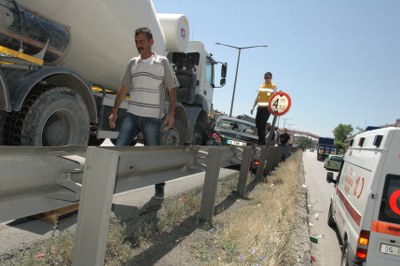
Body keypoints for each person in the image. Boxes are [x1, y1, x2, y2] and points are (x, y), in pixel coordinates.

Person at [108, 27, 179, 199]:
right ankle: (108, 186)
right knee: (118, 150)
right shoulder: (133, 63)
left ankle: (159, 187)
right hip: (132, 115)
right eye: (136, 42)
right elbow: (123, 88)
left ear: (151, 42)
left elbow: (172, 90)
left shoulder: (162, 63)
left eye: (142, 42)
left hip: (152, 119)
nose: (139, 45)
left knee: (153, 156)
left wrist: (171, 114)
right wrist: (115, 112)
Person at [251, 72, 277, 145]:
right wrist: (253, 107)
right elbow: (258, 97)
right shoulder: (261, 86)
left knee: (262, 124)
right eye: (265, 77)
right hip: (260, 108)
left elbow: (275, 98)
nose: (266, 79)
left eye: (268, 77)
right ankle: (261, 139)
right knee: (257, 123)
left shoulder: (273, 86)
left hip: (267, 108)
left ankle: (261, 141)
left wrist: (273, 108)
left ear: (271, 78)